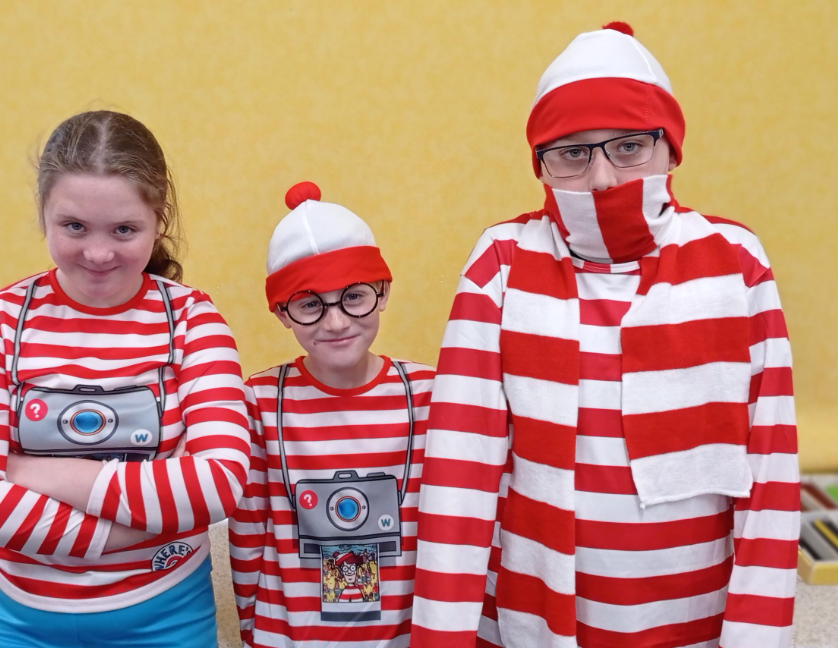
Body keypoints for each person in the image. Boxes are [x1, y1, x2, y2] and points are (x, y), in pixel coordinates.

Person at [410, 22, 799, 648]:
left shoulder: (735, 261)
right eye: (572, 153)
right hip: (537, 616)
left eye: (629, 147)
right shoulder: (502, 263)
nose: (601, 179)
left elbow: (771, 468)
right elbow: (461, 470)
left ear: (671, 150)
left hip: (693, 616)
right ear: (540, 164)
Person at [0, 110, 250, 647]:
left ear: (158, 220)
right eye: (74, 226)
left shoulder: (194, 321)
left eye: (124, 229)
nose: (98, 253)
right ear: (43, 213)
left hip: (168, 618)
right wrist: (133, 527)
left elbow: (218, 484)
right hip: (21, 623)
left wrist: (30, 471)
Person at [228, 182, 435, 647]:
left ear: (383, 292)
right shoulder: (259, 402)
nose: (336, 321)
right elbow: (246, 532)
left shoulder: (431, 394)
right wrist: (251, 632)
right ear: (282, 313)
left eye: (354, 296)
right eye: (310, 305)